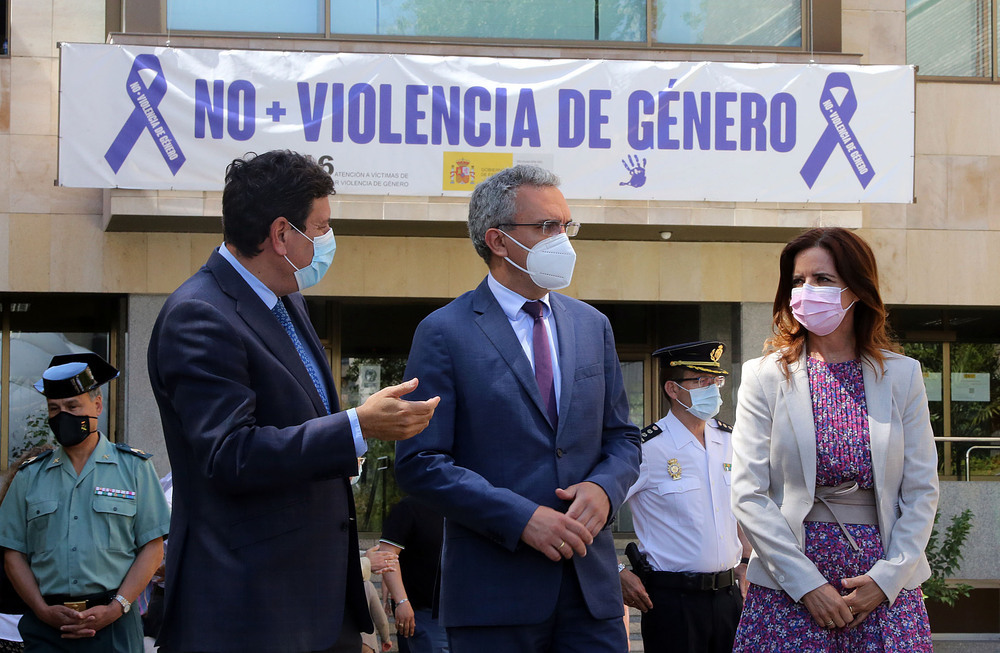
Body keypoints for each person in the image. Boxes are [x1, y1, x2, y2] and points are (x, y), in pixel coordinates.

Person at [147, 150, 439, 653]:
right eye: (320, 227)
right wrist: (355, 427)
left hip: (317, 602)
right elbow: (229, 454)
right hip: (250, 608)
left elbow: (295, 425)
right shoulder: (199, 315)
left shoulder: (285, 299)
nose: (328, 241)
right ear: (281, 235)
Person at [394, 165, 641, 653]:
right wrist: (521, 518)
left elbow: (623, 438)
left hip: (590, 598)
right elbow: (421, 463)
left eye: (567, 226)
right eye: (547, 227)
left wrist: (604, 488)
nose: (563, 240)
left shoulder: (592, 325)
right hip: (494, 599)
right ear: (499, 241)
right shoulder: (445, 331)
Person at [731, 227, 938, 651]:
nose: (807, 290)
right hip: (788, 583)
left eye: (822, 280)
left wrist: (885, 580)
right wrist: (808, 586)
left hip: (884, 585)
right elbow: (748, 494)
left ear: (857, 289)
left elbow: (921, 492)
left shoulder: (903, 375)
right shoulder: (763, 375)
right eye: (797, 281)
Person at [0, 354, 170, 652]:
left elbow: (152, 548)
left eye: (72, 406)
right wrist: (41, 609)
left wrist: (117, 607)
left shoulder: (134, 469)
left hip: (115, 626)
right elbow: (13, 553)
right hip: (47, 629)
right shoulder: (29, 476)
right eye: (54, 409)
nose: (62, 415)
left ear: (97, 405)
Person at [619, 340, 751, 653]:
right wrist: (617, 573)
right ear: (673, 389)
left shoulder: (731, 440)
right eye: (702, 381)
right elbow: (594, 514)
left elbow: (740, 509)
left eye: (716, 381)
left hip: (728, 596)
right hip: (672, 600)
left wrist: (746, 560)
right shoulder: (647, 449)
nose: (713, 389)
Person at [377, 496, 447, 653]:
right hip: (422, 614)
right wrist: (402, 601)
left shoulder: (458, 508)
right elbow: (387, 556)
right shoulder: (408, 508)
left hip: (458, 613)